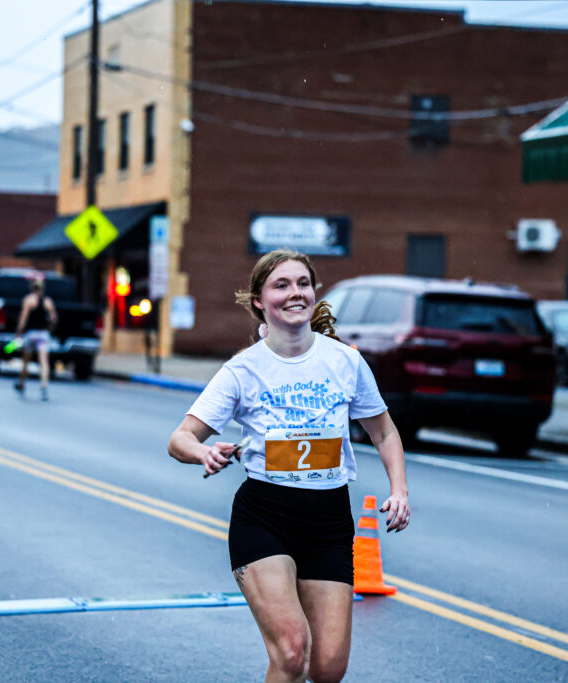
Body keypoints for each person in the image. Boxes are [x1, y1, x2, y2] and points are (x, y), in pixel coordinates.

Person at [167, 249, 410, 683]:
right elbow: (180, 438)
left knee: (329, 668)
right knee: (293, 650)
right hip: (265, 517)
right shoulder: (242, 371)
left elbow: (384, 432)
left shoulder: (346, 362)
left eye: (302, 283)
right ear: (259, 300)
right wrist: (203, 451)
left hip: (329, 521)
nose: (294, 293)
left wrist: (399, 490)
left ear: (314, 293)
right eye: (281, 285)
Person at [14, 277, 58, 401]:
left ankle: (22, 383)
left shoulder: (29, 300)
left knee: (26, 360)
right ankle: (44, 385)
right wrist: (50, 329)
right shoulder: (48, 301)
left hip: (31, 334)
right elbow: (54, 318)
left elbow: (23, 318)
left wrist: (18, 331)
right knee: (44, 361)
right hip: (43, 334)